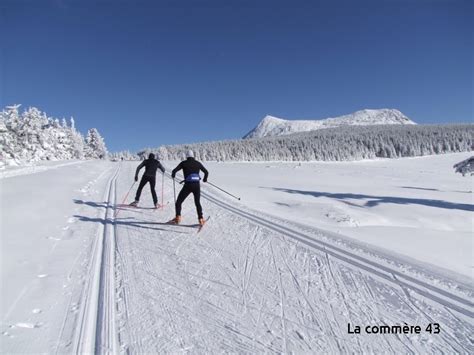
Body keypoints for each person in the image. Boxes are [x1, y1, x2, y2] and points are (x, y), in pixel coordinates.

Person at [170, 150, 209, 225]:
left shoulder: (183, 163)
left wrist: (173, 175)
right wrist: (205, 179)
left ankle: (178, 217)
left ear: (187, 156)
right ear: (193, 156)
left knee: (179, 202)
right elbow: (206, 172)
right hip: (196, 186)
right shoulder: (198, 163)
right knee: (197, 202)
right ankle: (201, 219)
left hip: (188, 186)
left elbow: (174, 170)